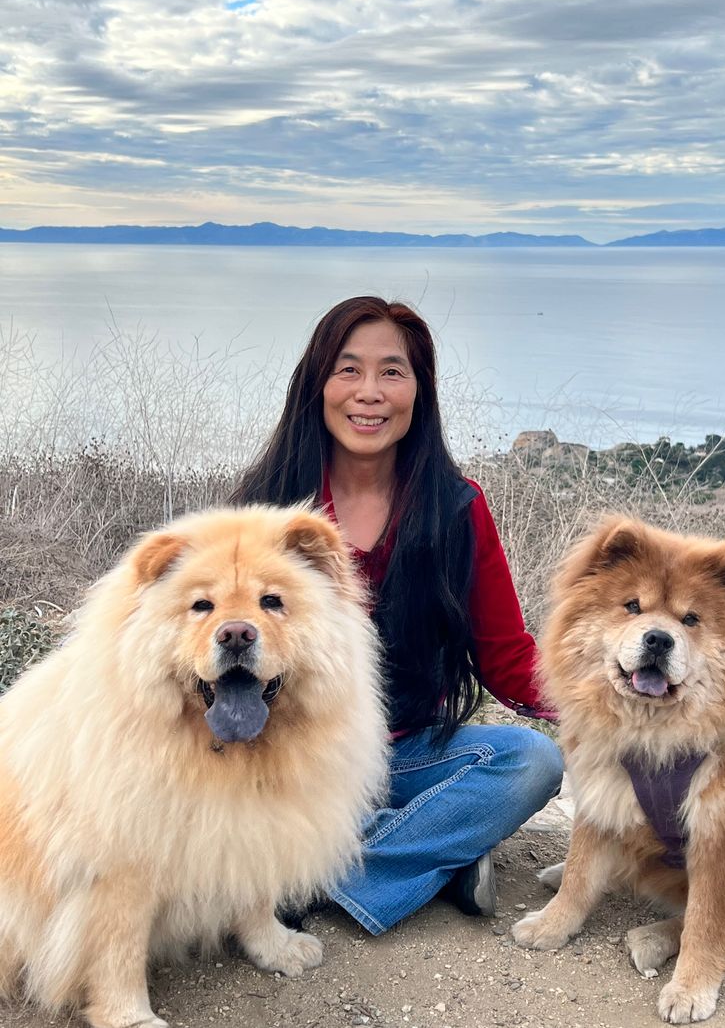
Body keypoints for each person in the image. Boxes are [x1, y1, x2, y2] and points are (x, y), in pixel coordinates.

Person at [231, 296, 563, 935]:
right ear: (318, 384)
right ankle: (443, 854)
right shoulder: (264, 507)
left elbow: (507, 657)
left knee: (531, 762)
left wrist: (610, 699)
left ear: (420, 391)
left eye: (392, 371)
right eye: (348, 370)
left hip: (405, 751)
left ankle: (308, 876)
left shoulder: (457, 508)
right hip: (286, 755)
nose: (369, 393)